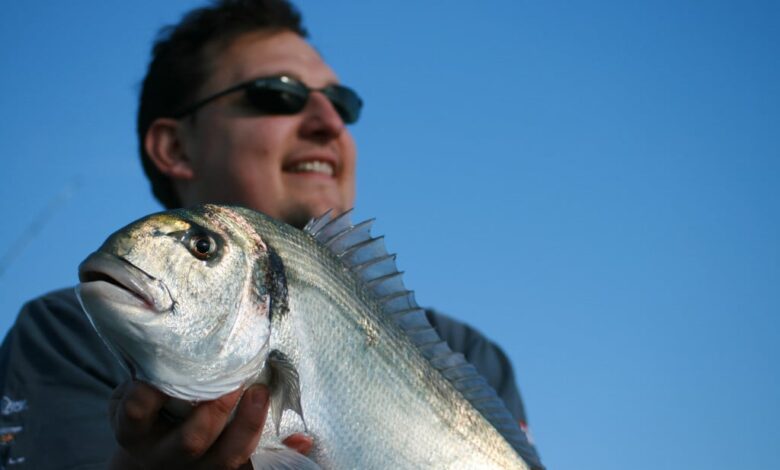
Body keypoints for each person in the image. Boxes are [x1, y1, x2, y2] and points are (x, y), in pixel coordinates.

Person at [0, 1, 543, 469]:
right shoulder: (64, 333)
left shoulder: (472, 355)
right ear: (175, 149)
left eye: (345, 102)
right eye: (277, 94)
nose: (330, 121)